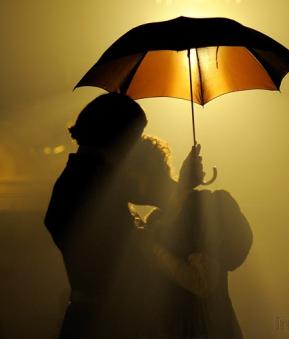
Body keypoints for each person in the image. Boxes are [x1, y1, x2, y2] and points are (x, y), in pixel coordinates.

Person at [126, 135, 253, 339]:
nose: (126, 190)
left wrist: (153, 248)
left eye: (127, 179)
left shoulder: (206, 207)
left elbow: (203, 282)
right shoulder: (156, 220)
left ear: (144, 174)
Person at [44, 93, 148, 339]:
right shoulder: (91, 184)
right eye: (135, 137)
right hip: (105, 322)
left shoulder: (83, 179)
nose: (137, 145)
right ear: (117, 138)